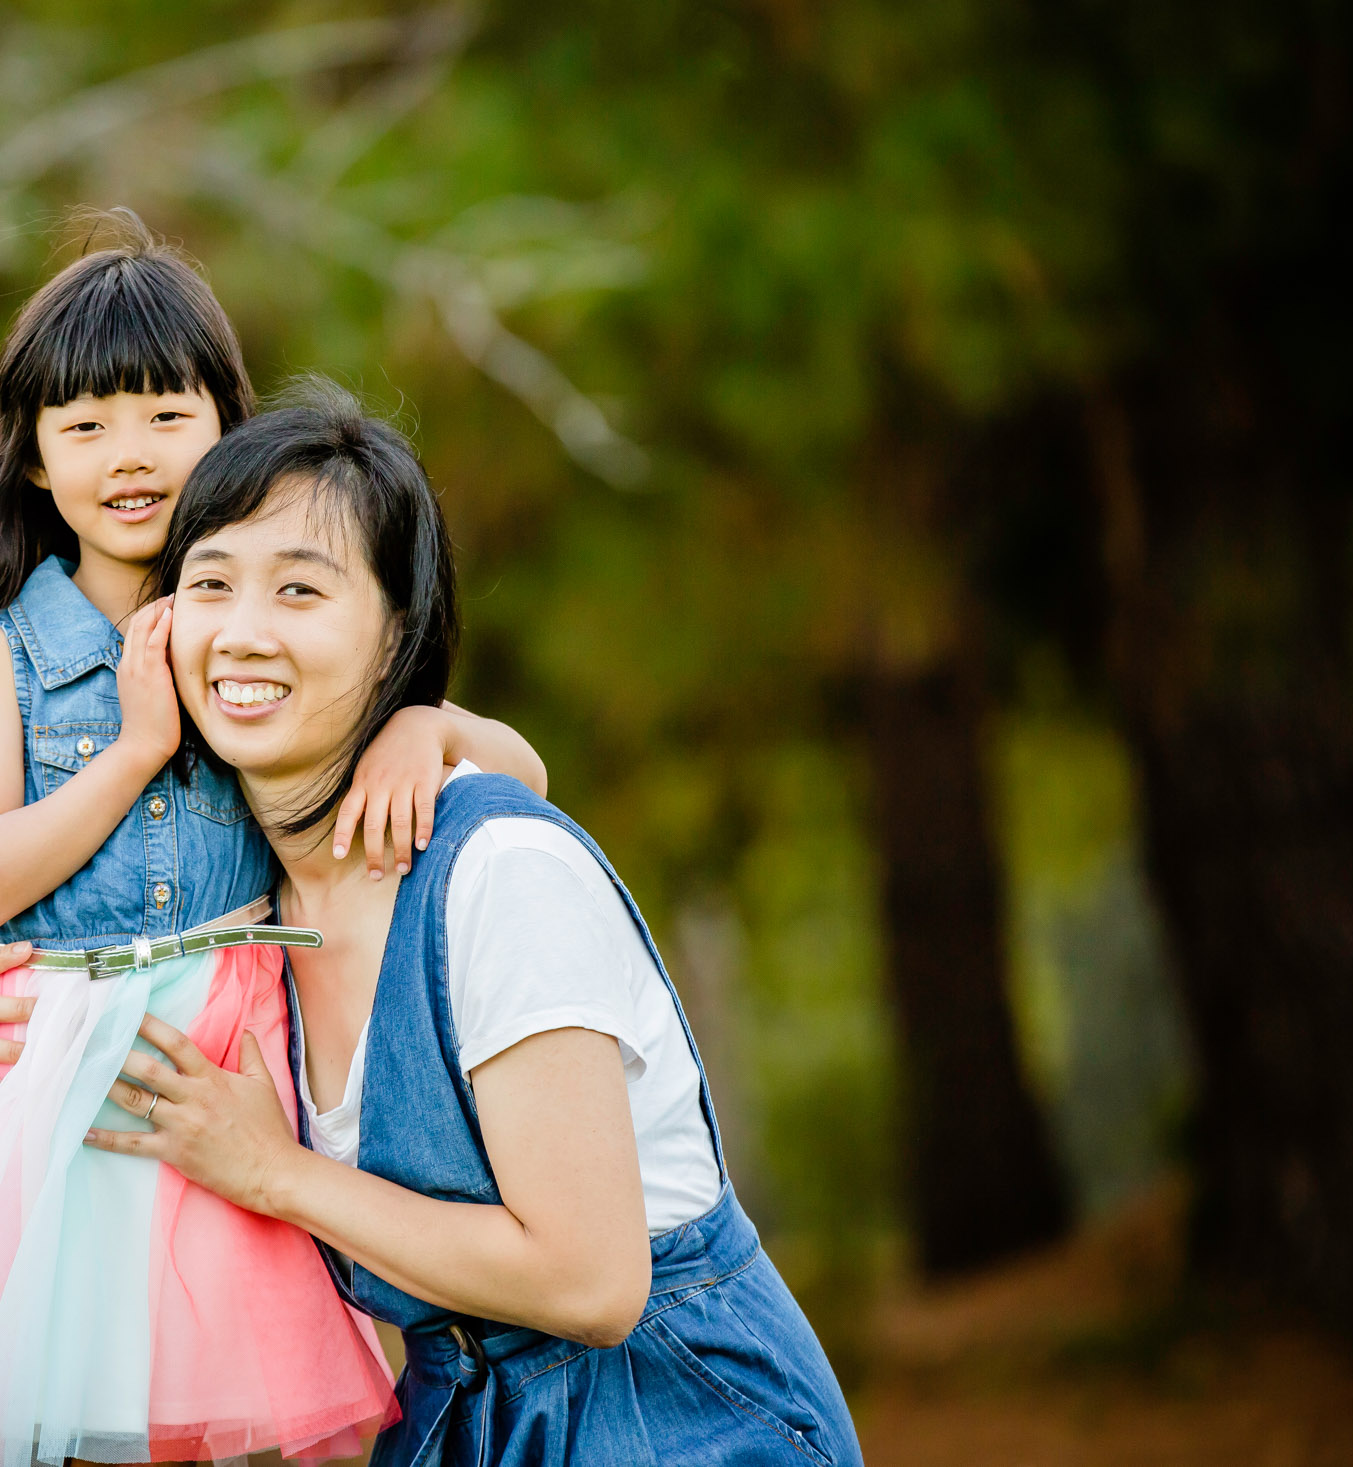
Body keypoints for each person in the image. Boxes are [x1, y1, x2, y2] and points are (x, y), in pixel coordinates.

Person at [0, 224, 547, 1467]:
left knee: (247, 1416)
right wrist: (135, 748)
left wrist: (426, 720)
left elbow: (522, 780)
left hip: (240, 1062)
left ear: (225, 425)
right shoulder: (5, 654)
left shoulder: (251, 631)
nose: (128, 456)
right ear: (33, 459)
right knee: (63, 1404)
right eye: (84, 426)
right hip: (57, 1082)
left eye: (163, 414)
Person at [61, 384, 863, 1464]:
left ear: (397, 636)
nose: (242, 634)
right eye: (210, 584)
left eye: (301, 591)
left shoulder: (496, 872)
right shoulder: (242, 908)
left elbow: (591, 1283)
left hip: (678, 1418)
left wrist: (274, 1172)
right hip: (457, 1425)